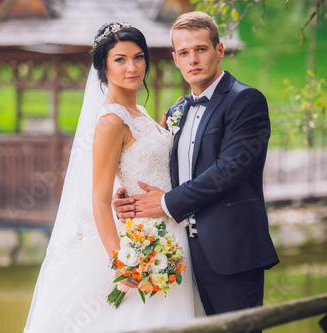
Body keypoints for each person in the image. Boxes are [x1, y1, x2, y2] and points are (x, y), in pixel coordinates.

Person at [24, 22, 203, 333]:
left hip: (171, 229)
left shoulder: (141, 113)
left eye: (138, 57)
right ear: (103, 66)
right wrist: (121, 261)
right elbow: (99, 197)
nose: (132, 67)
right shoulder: (111, 120)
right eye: (120, 59)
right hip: (143, 240)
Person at [113, 11, 280, 325]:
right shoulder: (177, 110)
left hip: (232, 250)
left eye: (201, 49)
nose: (193, 59)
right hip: (182, 251)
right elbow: (161, 170)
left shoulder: (246, 101)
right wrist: (128, 199)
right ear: (176, 60)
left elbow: (227, 172)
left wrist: (163, 202)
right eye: (185, 53)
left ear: (219, 51)